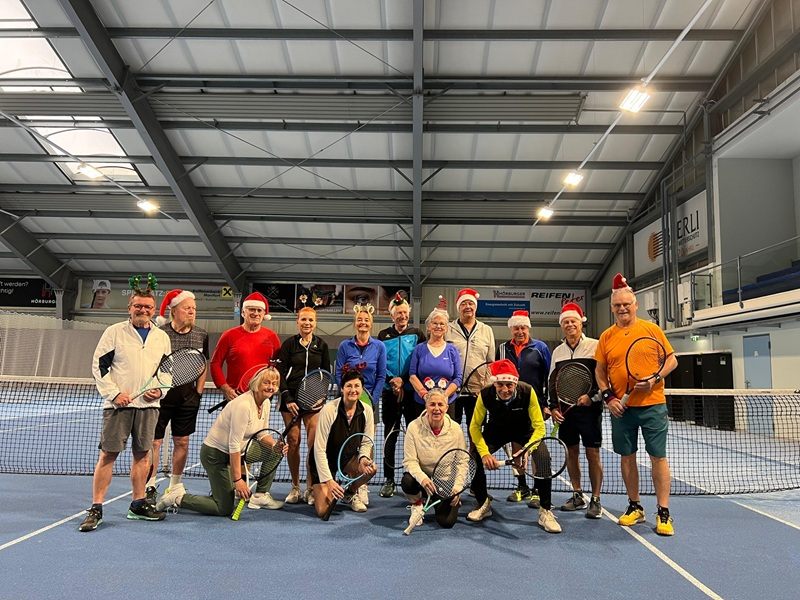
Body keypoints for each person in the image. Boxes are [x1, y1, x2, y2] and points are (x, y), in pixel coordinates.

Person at [79, 275, 172, 532]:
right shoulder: (114, 332)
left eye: (148, 307)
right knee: (108, 455)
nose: (143, 310)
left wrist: (160, 390)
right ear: (129, 307)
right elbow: (100, 366)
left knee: (143, 455)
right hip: (118, 406)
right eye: (138, 306)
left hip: (148, 407)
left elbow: (167, 369)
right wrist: (114, 393)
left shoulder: (161, 337)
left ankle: (138, 504)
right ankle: (96, 508)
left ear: (154, 310)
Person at [595, 273, 678, 536]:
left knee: (658, 458)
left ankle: (663, 512)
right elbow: (600, 371)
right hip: (622, 408)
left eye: (626, 304)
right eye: (617, 305)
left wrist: (655, 378)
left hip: (653, 405)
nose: (622, 308)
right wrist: (609, 398)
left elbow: (672, 360)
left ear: (635, 304)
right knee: (627, 458)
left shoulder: (652, 330)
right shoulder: (606, 337)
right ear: (612, 308)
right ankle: (634, 507)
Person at [156, 365, 286, 515]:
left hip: (240, 451)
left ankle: (261, 495)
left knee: (276, 451)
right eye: (266, 383)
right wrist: (238, 480)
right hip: (214, 455)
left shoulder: (266, 403)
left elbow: (261, 435)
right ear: (257, 383)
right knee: (224, 508)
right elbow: (234, 444)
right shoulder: (244, 405)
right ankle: (177, 498)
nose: (271, 387)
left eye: (274, 383)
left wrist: (275, 445)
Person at [467, 359, 561, 534]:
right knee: (473, 458)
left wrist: (527, 450)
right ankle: (483, 504)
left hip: (525, 431)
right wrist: (485, 453)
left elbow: (539, 426)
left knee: (543, 457)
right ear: (495, 383)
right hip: (496, 430)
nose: (504, 389)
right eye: (500, 385)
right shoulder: (485, 394)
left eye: (509, 385)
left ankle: (545, 510)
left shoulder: (527, 391)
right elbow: (474, 427)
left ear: (515, 383)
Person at [144, 289, 209, 504]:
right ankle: (150, 484)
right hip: (160, 398)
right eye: (187, 308)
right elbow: (151, 365)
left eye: (195, 308)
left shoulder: (201, 334)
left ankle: (175, 484)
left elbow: (202, 364)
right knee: (155, 442)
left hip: (188, 399)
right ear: (174, 310)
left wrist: (198, 392)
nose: (192, 311)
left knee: (182, 441)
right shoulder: (159, 334)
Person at [548, 302, 603, 519]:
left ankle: (596, 499)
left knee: (592, 454)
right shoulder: (558, 352)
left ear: (581, 323)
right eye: (566, 322)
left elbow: (603, 379)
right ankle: (577, 493)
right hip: (566, 412)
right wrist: (553, 407)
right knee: (571, 452)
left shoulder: (595, 346)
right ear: (562, 326)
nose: (570, 325)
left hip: (590, 411)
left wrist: (591, 397)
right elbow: (552, 381)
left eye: (574, 321)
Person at [276, 302, 331, 505]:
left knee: (313, 443)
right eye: (303, 319)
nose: (307, 323)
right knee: (293, 441)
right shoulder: (289, 344)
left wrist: (320, 397)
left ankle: (310, 487)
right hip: (290, 400)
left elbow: (326, 375)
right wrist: (288, 398)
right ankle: (295, 487)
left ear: (315, 323)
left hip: (313, 401)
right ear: (297, 322)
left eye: (310, 320)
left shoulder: (322, 345)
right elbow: (280, 374)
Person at [496, 309, 552, 505]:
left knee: (536, 447)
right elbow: (498, 377)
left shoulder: (541, 348)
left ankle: (538, 489)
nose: (519, 331)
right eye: (516, 328)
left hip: (535, 407)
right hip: (511, 407)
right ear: (511, 329)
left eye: (523, 328)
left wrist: (546, 404)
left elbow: (548, 378)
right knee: (516, 446)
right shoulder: (502, 348)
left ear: (528, 328)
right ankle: (522, 486)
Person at [335, 302, 386, 507]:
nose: (363, 322)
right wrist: (347, 396)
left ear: (371, 324)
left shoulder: (379, 346)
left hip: (369, 402)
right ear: (355, 323)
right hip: (347, 400)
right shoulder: (344, 346)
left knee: (366, 442)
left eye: (366, 320)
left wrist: (371, 400)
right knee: (346, 441)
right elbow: (339, 373)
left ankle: (360, 486)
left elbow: (381, 376)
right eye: (359, 320)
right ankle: (346, 480)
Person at [376, 291, 426, 497]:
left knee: (415, 435)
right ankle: (389, 480)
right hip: (390, 394)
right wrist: (392, 381)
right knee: (391, 435)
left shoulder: (417, 334)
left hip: (412, 393)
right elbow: (381, 362)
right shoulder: (382, 335)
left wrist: (403, 381)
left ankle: (414, 476)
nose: (402, 316)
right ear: (392, 316)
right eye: (398, 313)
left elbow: (420, 362)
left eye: (405, 312)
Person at [309, 370, 376, 518]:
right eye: (349, 386)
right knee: (323, 511)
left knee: (371, 469)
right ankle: (317, 488)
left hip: (348, 458)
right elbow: (319, 449)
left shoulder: (367, 411)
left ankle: (350, 493)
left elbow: (366, 442)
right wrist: (329, 480)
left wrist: (363, 458)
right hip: (324, 460)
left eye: (357, 386)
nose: (353, 390)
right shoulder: (329, 410)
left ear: (362, 389)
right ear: (342, 388)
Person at [402, 387, 467, 530]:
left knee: (447, 522)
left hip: (444, 482)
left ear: (447, 407)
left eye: (440, 405)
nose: (436, 409)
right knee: (407, 481)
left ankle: (446, 500)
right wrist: (423, 479)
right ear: (426, 406)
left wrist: (457, 488)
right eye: (432, 404)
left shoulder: (456, 429)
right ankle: (417, 504)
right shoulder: (413, 427)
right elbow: (409, 461)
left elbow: (462, 461)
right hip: (422, 482)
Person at [210, 291, 281, 405]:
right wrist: (225, 388)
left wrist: (272, 388)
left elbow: (278, 366)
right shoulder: (228, 335)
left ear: (264, 314)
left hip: (263, 398)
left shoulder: (272, 337)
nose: (255, 313)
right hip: (235, 397)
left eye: (259, 310)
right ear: (243, 312)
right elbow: (215, 364)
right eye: (251, 309)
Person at [447, 288, 495, 428]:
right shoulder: (448, 329)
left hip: (476, 392)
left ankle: (474, 451)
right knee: (450, 430)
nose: (467, 306)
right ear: (458, 308)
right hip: (451, 391)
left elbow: (490, 363)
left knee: (476, 431)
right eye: (463, 304)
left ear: (475, 307)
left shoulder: (486, 330)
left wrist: (484, 388)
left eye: (471, 303)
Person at [409, 298, 462, 414]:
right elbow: (412, 375)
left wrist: (444, 397)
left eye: (442, 324)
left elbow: (458, 378)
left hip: (446, 403)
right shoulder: (419, 349)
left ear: (446, 328)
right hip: (421, 403)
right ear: (428, 326)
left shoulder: (452, 350)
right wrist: (425, 395)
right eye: (435, 323)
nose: (438, 326)